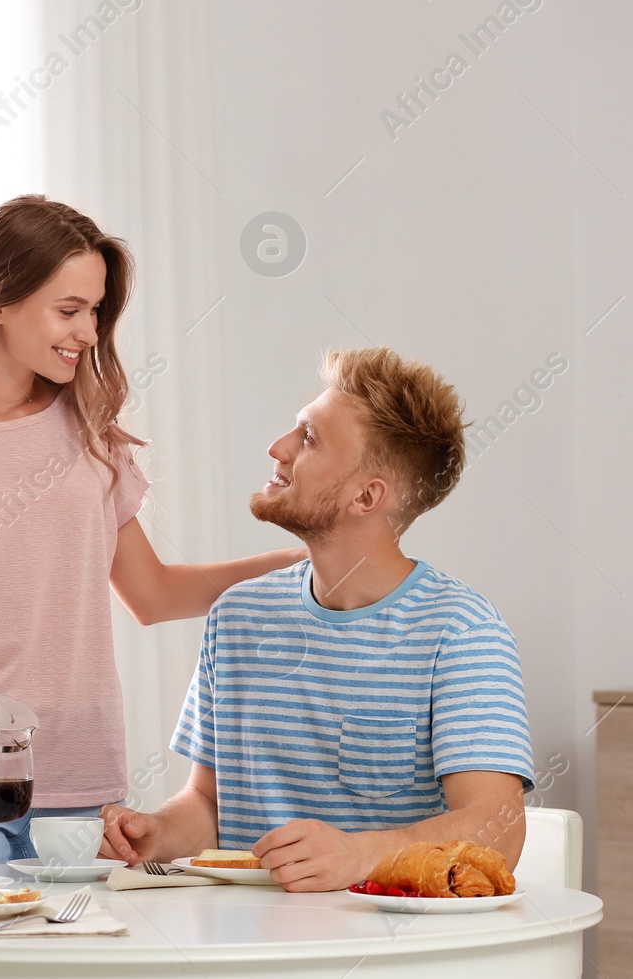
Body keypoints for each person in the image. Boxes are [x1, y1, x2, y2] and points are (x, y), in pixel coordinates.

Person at [0, 195, 306, 863]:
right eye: (68, 310)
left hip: (80, 778)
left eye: (94, 310)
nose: (89, 332)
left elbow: (153, 594)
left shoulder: (91, 436)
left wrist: (299, 562)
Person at [98, 346, 534, 892]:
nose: (277, 448)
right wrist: (156, 831)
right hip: (240, 941)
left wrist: (359, 856)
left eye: (308, 437)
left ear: (367, 496)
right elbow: (210, 803)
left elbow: (498, 829)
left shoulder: (461, 633)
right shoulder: (238, 616)